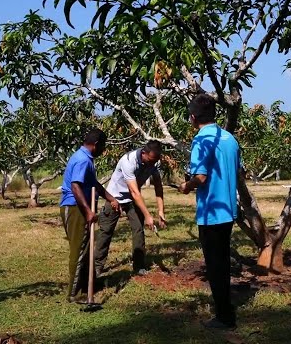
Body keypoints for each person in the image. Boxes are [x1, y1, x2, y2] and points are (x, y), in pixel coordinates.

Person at [178, 94, 241, 330]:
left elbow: (201, 177)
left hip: (211, 212)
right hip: (228, 210)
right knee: (222, 261)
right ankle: (225, 307)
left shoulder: (201, 141)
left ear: (193, 117)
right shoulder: (230, 139)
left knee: (214, 265)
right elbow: (237, 171)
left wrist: (186, 186)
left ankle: (224, 317)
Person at [59, 128, 120, 302]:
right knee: (78, 251)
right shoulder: (82, 160)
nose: (104, 150)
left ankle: (86, 285)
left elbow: (94, 184)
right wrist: (87, 212)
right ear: (96, 144)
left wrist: (111, 199)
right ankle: (74, 293)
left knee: (85, 250)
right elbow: (75, 186)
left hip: (79, 207)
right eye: (103, 146)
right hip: (76, 208)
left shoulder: (86, 158)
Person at [94, 140, 167, 276]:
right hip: (115, 197)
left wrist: (161, 211)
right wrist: (147, 216)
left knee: (138, 229)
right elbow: (134, 191)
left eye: (155, 161)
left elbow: (158, 186)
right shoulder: (128, 161)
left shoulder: (154, 162)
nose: (152, 164)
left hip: (133, 199)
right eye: (150, 160)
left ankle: (139, 266)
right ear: (144, 153)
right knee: (106, 231)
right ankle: (97, 266)